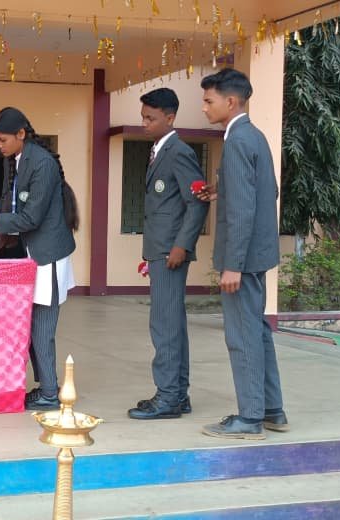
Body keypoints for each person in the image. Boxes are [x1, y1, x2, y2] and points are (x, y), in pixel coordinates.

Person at [0, 107, 79, 411]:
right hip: (31, 254)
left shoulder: (42, 164)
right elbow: (7, 204)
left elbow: (30, 218)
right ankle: (46, 386)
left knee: (42, 328)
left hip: (49, 254)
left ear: (21, 134)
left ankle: (50, 393)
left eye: (2, 140)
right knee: (30, 325)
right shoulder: (16, 159)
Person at [195, 68, 285, 440]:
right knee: (257, 332)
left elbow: (242, 210)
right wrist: (224, 189)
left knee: (242, 335)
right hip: (258, 254)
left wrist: (232, 265)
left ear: (230, 102)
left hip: (242, 260)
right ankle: (271, 410)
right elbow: (269, 191)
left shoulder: (235, 141)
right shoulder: (255, 136)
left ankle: (249, 418)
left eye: (208, 101)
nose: (204, 108)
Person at [127, 88, 210, 420]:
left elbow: (197, 203)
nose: (144, 123)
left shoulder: (178, 152)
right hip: (160, 249)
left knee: (164, 325)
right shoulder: (159, 150)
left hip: (170, 252)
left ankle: (168, 397)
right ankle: (178, 394)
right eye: (143, 117)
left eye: (151, 118)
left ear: (170, 117)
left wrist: (181, 245)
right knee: (171, 323)